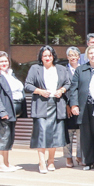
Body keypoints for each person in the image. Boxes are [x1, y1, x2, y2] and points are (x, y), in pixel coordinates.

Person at [23, 45, 71, 173]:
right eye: (45, 56)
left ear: (53, 56)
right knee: (42, 134)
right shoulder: (35, 68)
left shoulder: (61, 68)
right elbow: (27, 85)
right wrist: (39, 91)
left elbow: (68, 83)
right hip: (41, 105)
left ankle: (51, 161)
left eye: (49, 55)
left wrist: (62, 90)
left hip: (57, 104)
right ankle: (41, 162)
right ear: (41, 57)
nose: (47, 58)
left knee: (54, 135)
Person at [70, 45, 94, 171]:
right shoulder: (81, 69)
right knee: (86, 134)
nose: (93, 55)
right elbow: (74, 88)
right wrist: (74, 104)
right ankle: (88, 161)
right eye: (90, 53)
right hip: (84, 107)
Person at [62, 46, 82, 167]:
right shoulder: (63, 71)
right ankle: (68, 157)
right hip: (68, 107)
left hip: (81, 107)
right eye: (70, 55)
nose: (73, 57)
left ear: (79, 57)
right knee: (68, 134)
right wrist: (66, 105)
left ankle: (79, 155)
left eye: (75, 55)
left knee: (80, 134)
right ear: (67, 57)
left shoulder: (83, 69)